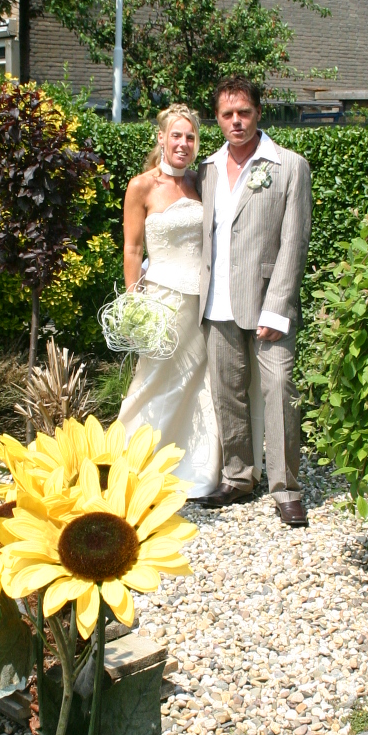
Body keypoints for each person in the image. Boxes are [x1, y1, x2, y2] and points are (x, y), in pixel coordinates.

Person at [197, 74, 312, 525]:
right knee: (227, 393)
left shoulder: (289, 166)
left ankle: (287, 489)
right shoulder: (207, 169)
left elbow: (294, 243)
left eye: (244, 112)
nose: (237, 121)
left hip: (268, 303)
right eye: (227, 114)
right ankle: (238, 477)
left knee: (279, 389)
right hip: (217, 303)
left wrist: (278, 308)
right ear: (218, 119)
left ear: (258, 113)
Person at [118, 105, 221, 496]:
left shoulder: (200, 182)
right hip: (161, 300)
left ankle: (193, 469)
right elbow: (132, 249)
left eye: (190, 137)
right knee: (154, 380)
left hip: (202, 302)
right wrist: (134, 303)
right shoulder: (141, 186)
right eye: (176, 135)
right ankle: (133, 464)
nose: (183, 143)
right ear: (161, 138)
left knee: (198, 383)